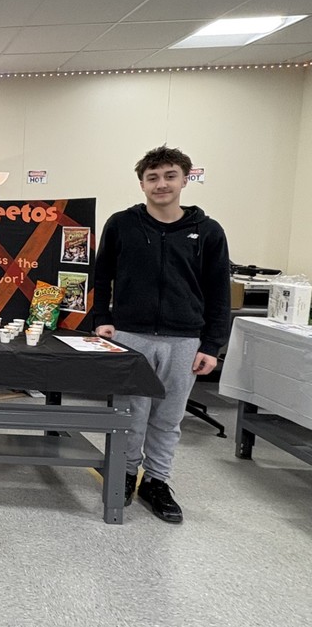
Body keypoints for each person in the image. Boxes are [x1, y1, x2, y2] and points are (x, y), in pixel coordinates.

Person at [93, 146, 231, 524]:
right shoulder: (122, 224)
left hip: (184, 340)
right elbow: (101, 275)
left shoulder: (208, 231)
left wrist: (212, 345)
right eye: (152, 177)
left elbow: (219, 291)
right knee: (129, 413)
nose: (161, 184)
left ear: (185, 179)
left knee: (167, 418)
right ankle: (124, 473)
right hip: (130, 336)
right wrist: (102, 318)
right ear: (141, 183)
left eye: (170, 176)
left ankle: (157, 481)